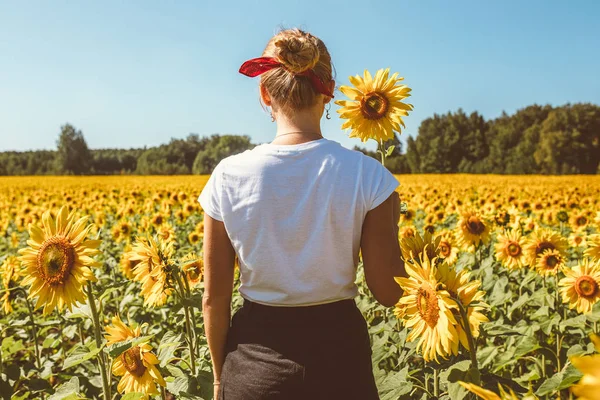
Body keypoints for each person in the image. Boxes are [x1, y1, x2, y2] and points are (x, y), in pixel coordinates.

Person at [199, 28, 407, 400]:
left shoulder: (228, 175)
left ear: (265, 93)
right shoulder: (369, 175)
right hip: (341, 366)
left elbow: (214, 299)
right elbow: (388, 291)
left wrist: (218, 378)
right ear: (329, 91)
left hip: (254, 368)